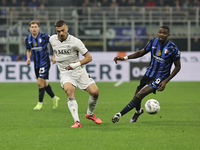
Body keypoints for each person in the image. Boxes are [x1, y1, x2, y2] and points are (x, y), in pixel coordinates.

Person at [111, 25, 181, 123]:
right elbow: (141, 53)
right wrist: (124, 58)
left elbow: (178, 67)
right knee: (135, 97)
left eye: (164, 33)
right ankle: (138, 111)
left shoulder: (173, 48)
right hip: (148, 73)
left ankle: (119, 114)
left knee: (141, 95)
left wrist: (165, 81)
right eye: (160, 32)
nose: (161, 34)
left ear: (168, 35)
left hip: (160, 77)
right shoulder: (153, 42)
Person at [50, 19, 102, 128]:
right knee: (69, 90)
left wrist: (74, 65)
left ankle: (90, 114)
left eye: (63, 30)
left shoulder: (75, 42)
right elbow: (55, 48)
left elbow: (89, 58)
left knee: (95, 92)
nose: (61, 33)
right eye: (58, 31)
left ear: (67, 28)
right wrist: (54, 56)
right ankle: (77, 121)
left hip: (79, 71)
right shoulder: (52, 39)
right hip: (65, 72)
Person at [25, 20, 59, 111]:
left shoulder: (44, 36)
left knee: (40, 83)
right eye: (32, 27)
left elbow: (54, 45)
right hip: (36, 63)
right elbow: (28, 50)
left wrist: (54, 56)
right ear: (30, 29)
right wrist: (28, 58)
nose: (34, 29)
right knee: (44, 83)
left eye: (36, 27)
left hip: (45, 62)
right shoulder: (28, 39)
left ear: (38, 28)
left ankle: (39, 103)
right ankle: (54, 98)